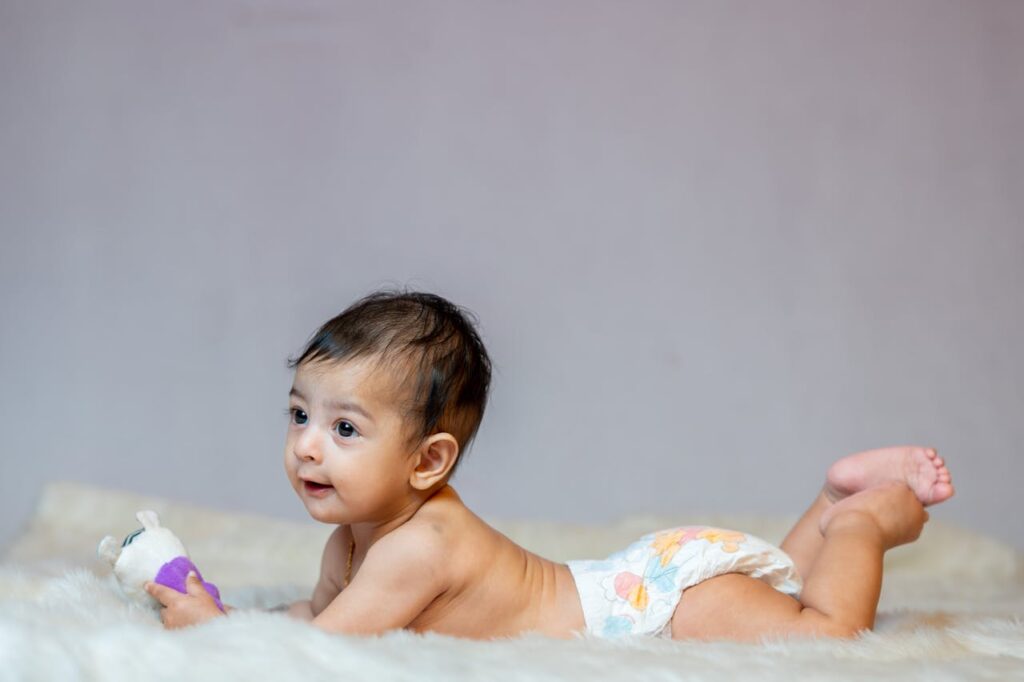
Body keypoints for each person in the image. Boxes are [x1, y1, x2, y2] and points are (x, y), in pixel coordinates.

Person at [146, 289, 955, 642]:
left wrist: (211, 638)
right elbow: (314, 620)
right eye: (299, 415)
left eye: (344, 428)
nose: (307, 446)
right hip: (634, 582)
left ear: (429, 461)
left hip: (655, 612)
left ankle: (860, 522)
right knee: (784, 600)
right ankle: (829, 501)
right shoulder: (353, 541)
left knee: (822, 639)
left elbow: (323, 656)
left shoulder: (419, 546)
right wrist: (235, 617)